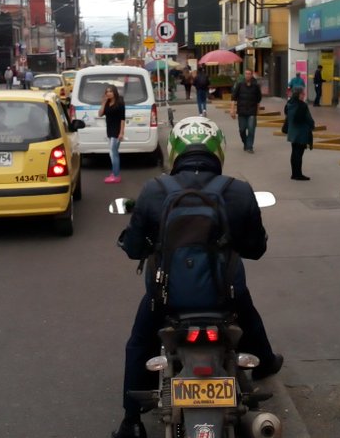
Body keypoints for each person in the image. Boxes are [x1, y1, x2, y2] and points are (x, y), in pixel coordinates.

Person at [111, 117, 283, 438]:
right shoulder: (238, 190)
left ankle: (131, 422)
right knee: (246, 308)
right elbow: (256, 249)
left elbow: (134, 248)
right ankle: (265, 362)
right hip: (224, 297)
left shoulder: (153, 190)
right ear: (218, 149)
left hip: (167, 300)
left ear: (175, 151)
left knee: (139, 342)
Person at [284, 87, 314, 181]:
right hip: (301, 133)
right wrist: (312, 125)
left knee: (294, 153)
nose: (304, 95)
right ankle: (298, 174)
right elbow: (308, 119)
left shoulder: (289, 104)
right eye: (303, 94)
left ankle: (294, 173)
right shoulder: (302, 106)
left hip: (292, 132)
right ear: (299, 94)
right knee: (299, 154)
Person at [98, 85, 126, 184]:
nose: (108, 93)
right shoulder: (107, 103)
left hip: (117, 132)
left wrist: (121, 133)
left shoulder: (120, 103)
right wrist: (103, 102)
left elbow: (123, 119)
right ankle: (114, 173)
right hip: (109, 131)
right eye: (107, 92)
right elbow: (100, 114)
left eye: (110, 91)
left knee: (114, 153)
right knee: (112, 153)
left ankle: (116, 176)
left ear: (115, 92)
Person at [231, 69, 262, 153]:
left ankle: (249, 146)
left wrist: (258, 110)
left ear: (252, 75)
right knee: (242, 130)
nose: (247, 75)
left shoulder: (255, 86)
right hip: (241, 111)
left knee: (251, 129)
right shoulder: (240, 85)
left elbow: (259, 99)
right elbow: (233, 98)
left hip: (252, 111)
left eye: (249, 74)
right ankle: (245, 143)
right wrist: (232, 110)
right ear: (244, 75)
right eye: (246, 74)